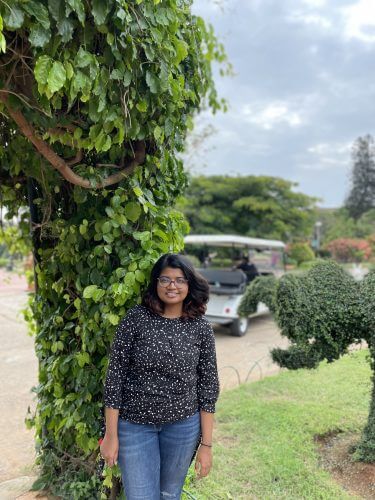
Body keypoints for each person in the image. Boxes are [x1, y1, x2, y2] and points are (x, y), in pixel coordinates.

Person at [100, 253, 220, 499]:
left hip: (183, 427)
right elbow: (115, 379)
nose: (172, 286)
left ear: (189, 284)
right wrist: (110, 435)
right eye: (165, 279)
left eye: (179, 280)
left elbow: (208, 388)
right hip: (134, 426)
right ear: (156, 283)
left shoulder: (201, 328)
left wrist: (206, 445)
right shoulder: (136, 319)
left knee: (169, 494)